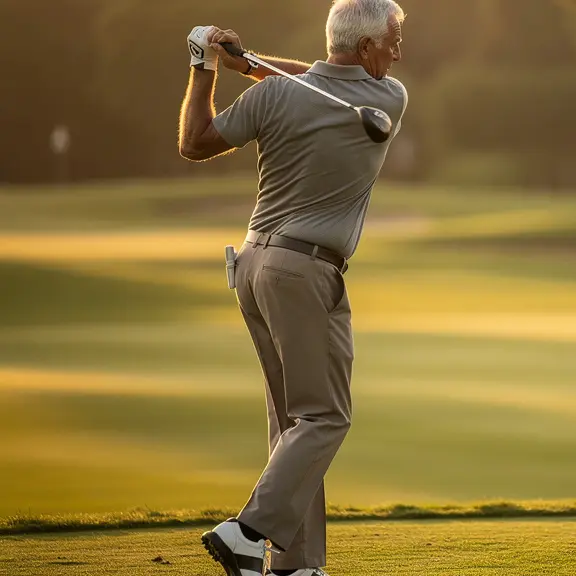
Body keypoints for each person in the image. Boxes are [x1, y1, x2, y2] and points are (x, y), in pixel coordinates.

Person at [177, 1, 407, 575]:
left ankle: (296, 564)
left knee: (293, 423)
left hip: (253, 266)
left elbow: (196, 141)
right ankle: (245, 533)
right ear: (366, 49)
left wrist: (208, 66)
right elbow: (320, 80)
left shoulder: (276, 93)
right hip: (305, 272)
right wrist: (251, 65)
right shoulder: (386, 99)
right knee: (326, 417)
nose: (397, 53)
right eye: (392, 41)